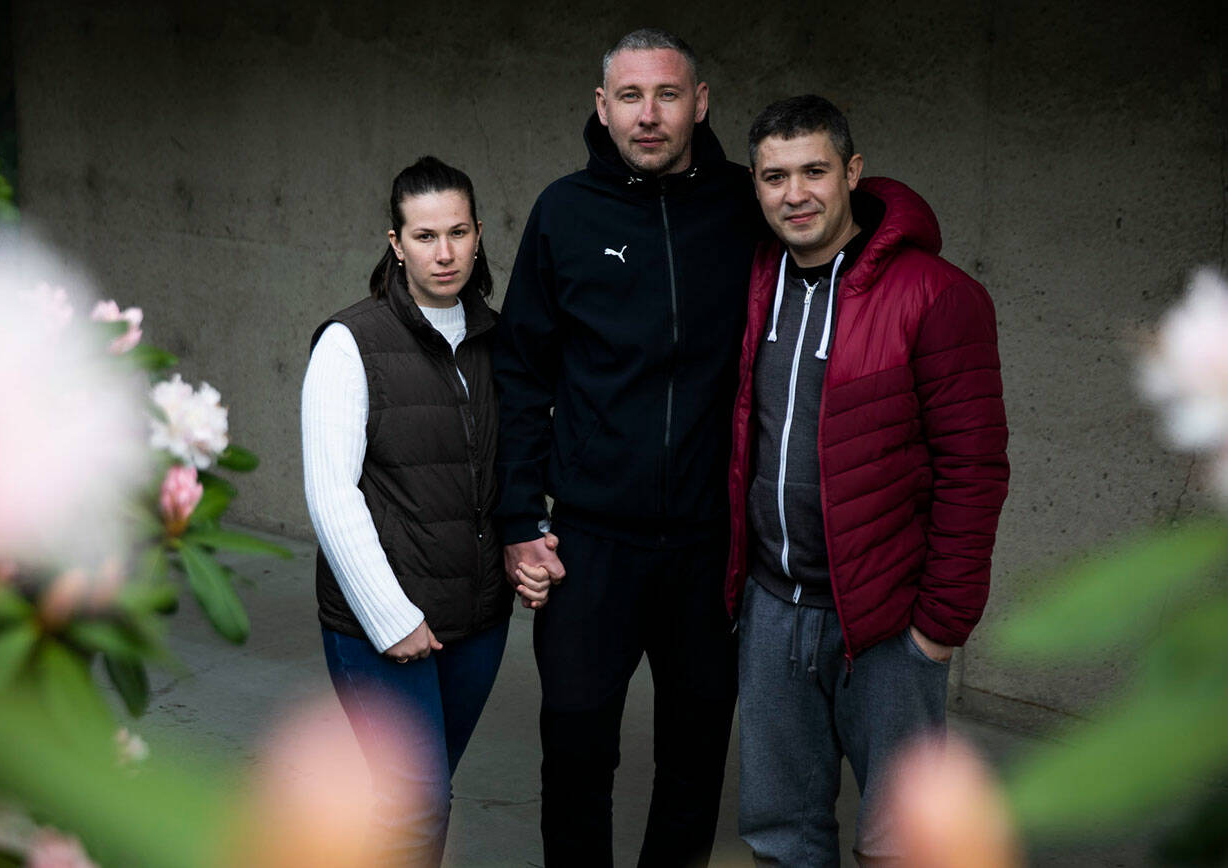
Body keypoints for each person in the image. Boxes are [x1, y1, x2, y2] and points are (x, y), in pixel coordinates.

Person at [493, 28, 762, 868]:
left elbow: (831, 221)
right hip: (589, 543)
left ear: (701, 103)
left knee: (694, 755)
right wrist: (515, 518)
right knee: (576, 750)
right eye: (632, 97)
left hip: (708, 544)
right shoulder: (563, 213)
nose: (650, 116)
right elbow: (521, 373)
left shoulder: (744, 206)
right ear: (602, 108)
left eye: (668, 95)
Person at [726, 94, 1010, 866]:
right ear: (755, 187)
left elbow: (973, 468)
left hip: (887, 622)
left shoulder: (938, 296)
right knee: (781, 834)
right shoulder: (756, 285)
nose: (796, 193)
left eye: (814, 170)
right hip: (774, 606)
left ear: (852, 172)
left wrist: (938, 629)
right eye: (775, 176)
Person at [301, 156, 550, 866]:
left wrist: (527, 546)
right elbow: (331, 492)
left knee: (417, 800)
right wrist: (390, 616)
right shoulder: (352, 342)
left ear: (479, 236)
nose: (444, 253)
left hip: (476, 619)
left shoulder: (498, 341)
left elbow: (514, 466)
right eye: (424, 235)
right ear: (395, 241)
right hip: (380, 625)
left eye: (459, 232)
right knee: (415, 803)